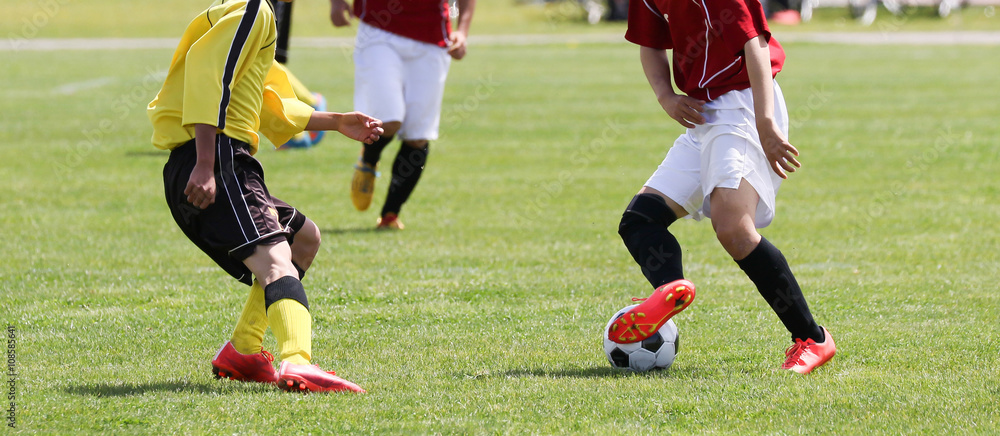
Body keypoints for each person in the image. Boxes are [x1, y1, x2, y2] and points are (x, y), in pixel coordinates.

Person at [147, 0, 384, 393]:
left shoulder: (255, 14)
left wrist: (336, 121)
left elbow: (262, 97)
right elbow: (208, 73)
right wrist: (205, 163)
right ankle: (298, 361)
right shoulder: (255, 9)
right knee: (276, 262)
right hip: (217, 158)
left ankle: (243, 351)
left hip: (220, 157)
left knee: (303, 238)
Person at [607, 0, 835, 374]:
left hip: (744, 104)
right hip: (702, 113)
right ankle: (670, 289)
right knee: (639, 220)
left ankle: (812, 338)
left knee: (733, 229)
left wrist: (765, 123)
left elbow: (754, 42)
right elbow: (651, 44)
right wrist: (666, 97)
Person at [330, 0, 476, 230]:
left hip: (432, 37)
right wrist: (337, 3)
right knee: (387, 121)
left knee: (418, 136)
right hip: (379, 28)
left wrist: (462, 31)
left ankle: (390, 215)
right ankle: (369, 158)